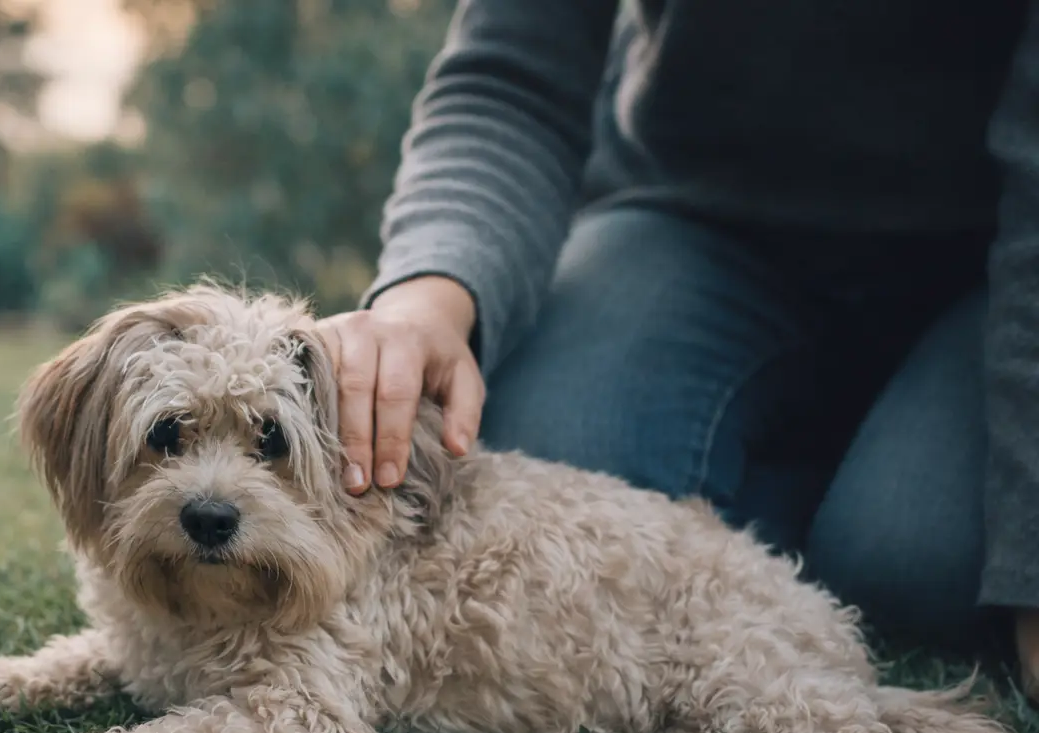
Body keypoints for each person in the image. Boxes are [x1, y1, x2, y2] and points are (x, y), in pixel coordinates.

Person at [317, 1, 1039, 693]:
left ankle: (850, 490)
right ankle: (829, 473)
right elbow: (510, 79)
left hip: (982, 257)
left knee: (915, 564)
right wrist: (426, 302)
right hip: (691, 218)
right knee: (557, 440)